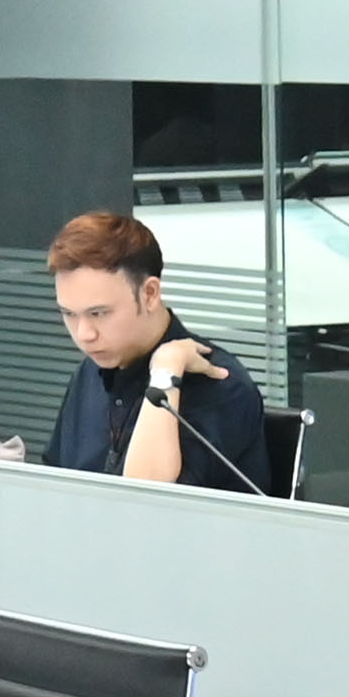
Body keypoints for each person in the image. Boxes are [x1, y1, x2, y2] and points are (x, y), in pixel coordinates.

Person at [41, 209, 271, 490]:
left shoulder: (221, 386)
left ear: (149, 294)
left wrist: (165, 373)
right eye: (69, 314)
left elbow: (145, 500)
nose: (84, 334)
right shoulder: (89, 374)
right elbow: (55, 484)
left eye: (98, 313)